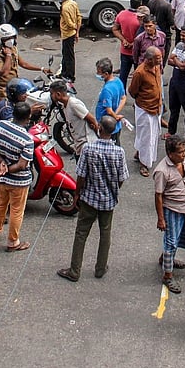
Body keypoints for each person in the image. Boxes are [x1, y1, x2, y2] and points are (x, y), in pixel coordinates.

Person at [57, 116, 127, 282]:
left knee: (81, 233)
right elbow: (122, 177)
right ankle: (100, 268)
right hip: (108, 200)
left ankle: (75, 270)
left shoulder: (89, 149)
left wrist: (77, 194)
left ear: (100, 129)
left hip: (89, 198)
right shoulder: (119, 152)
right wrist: (114, 190)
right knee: (105, 233)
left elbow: (81, 175)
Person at [0, 102, 34, 252]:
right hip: (18, 181)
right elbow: (21, 165)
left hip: (1, 179)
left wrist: (1, 164)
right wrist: (6, 170)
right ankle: (13, 242)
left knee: (0, 203)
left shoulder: (0, 126)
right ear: (28, 118)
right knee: (16, 211)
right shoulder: (27, 140)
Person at [154, 135, 185, 294]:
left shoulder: (181, 161)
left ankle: (165, 259)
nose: (183, 155)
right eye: (180, 152)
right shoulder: (162, 171)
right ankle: (168, 276)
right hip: (171, 209)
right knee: (171, 241)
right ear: (170, 154)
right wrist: (161, 218)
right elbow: (158, 195)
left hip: (184, 206)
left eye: (184, 152)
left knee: (177, 236)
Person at [0, 24, 49, 103]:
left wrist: (41, 69)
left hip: (13, 87)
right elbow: (4, 73)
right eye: (7, 38)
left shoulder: (13, 49)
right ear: (1, 39)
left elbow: (23, 64)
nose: (10, 40)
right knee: (10, 111)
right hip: (2, 92)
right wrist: (8, 55)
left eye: (12, 37)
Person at [129, 47, 164, 178]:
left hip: (156, 107)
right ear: (149, 60)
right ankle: (144, 163)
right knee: (146, 137)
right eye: (158, 58)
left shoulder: (157, 67)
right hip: (145, 108)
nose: (161, 60)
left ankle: (139, 153)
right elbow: (132, 91)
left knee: (152, 135)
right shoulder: (140, 72)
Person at [50, 80, 97, 157]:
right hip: (79, 146)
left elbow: (92, 119)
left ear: (58, 94)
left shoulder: (73, 104)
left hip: (86, 145)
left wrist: (97, 137)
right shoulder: (64, 106)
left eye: (52, 93)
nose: (51, 96)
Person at [95, 57, 127, 144]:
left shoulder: (107, 90)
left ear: (106, 74)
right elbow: (123, 98)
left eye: (99, 72)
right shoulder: (118, 81)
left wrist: (114, 115)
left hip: (107, 127)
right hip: (115, 126)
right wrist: (116, 113)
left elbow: (108, 110)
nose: (97, 74)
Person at [113, 0, 142, 86]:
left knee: (123, 76)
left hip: (125, 50)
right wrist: (134, 43)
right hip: (138, 52)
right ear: (140, 4)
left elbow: (115, 29)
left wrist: (123, 40)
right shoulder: (141, 18)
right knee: (139, 77)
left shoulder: (121, 14)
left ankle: (122, 97)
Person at [58, 0, 81, 81]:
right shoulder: (73, 3)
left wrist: (75, 28)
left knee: (69, 56)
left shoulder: (64, 8)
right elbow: (79, 17)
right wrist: (77, 32)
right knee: (66, 54)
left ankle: (70, 76)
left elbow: (69, 23)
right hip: (72, 33)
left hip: (67, 34)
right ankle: (64, 72)